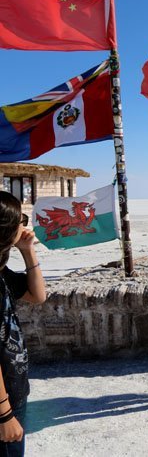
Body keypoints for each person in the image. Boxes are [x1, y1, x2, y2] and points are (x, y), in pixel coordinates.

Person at [0, 191, 47, 456]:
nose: (25, 226)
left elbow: (37, 296)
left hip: (12, 390)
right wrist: (4, 415)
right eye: (22, 220)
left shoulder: (1, 271)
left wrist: (28, 252)